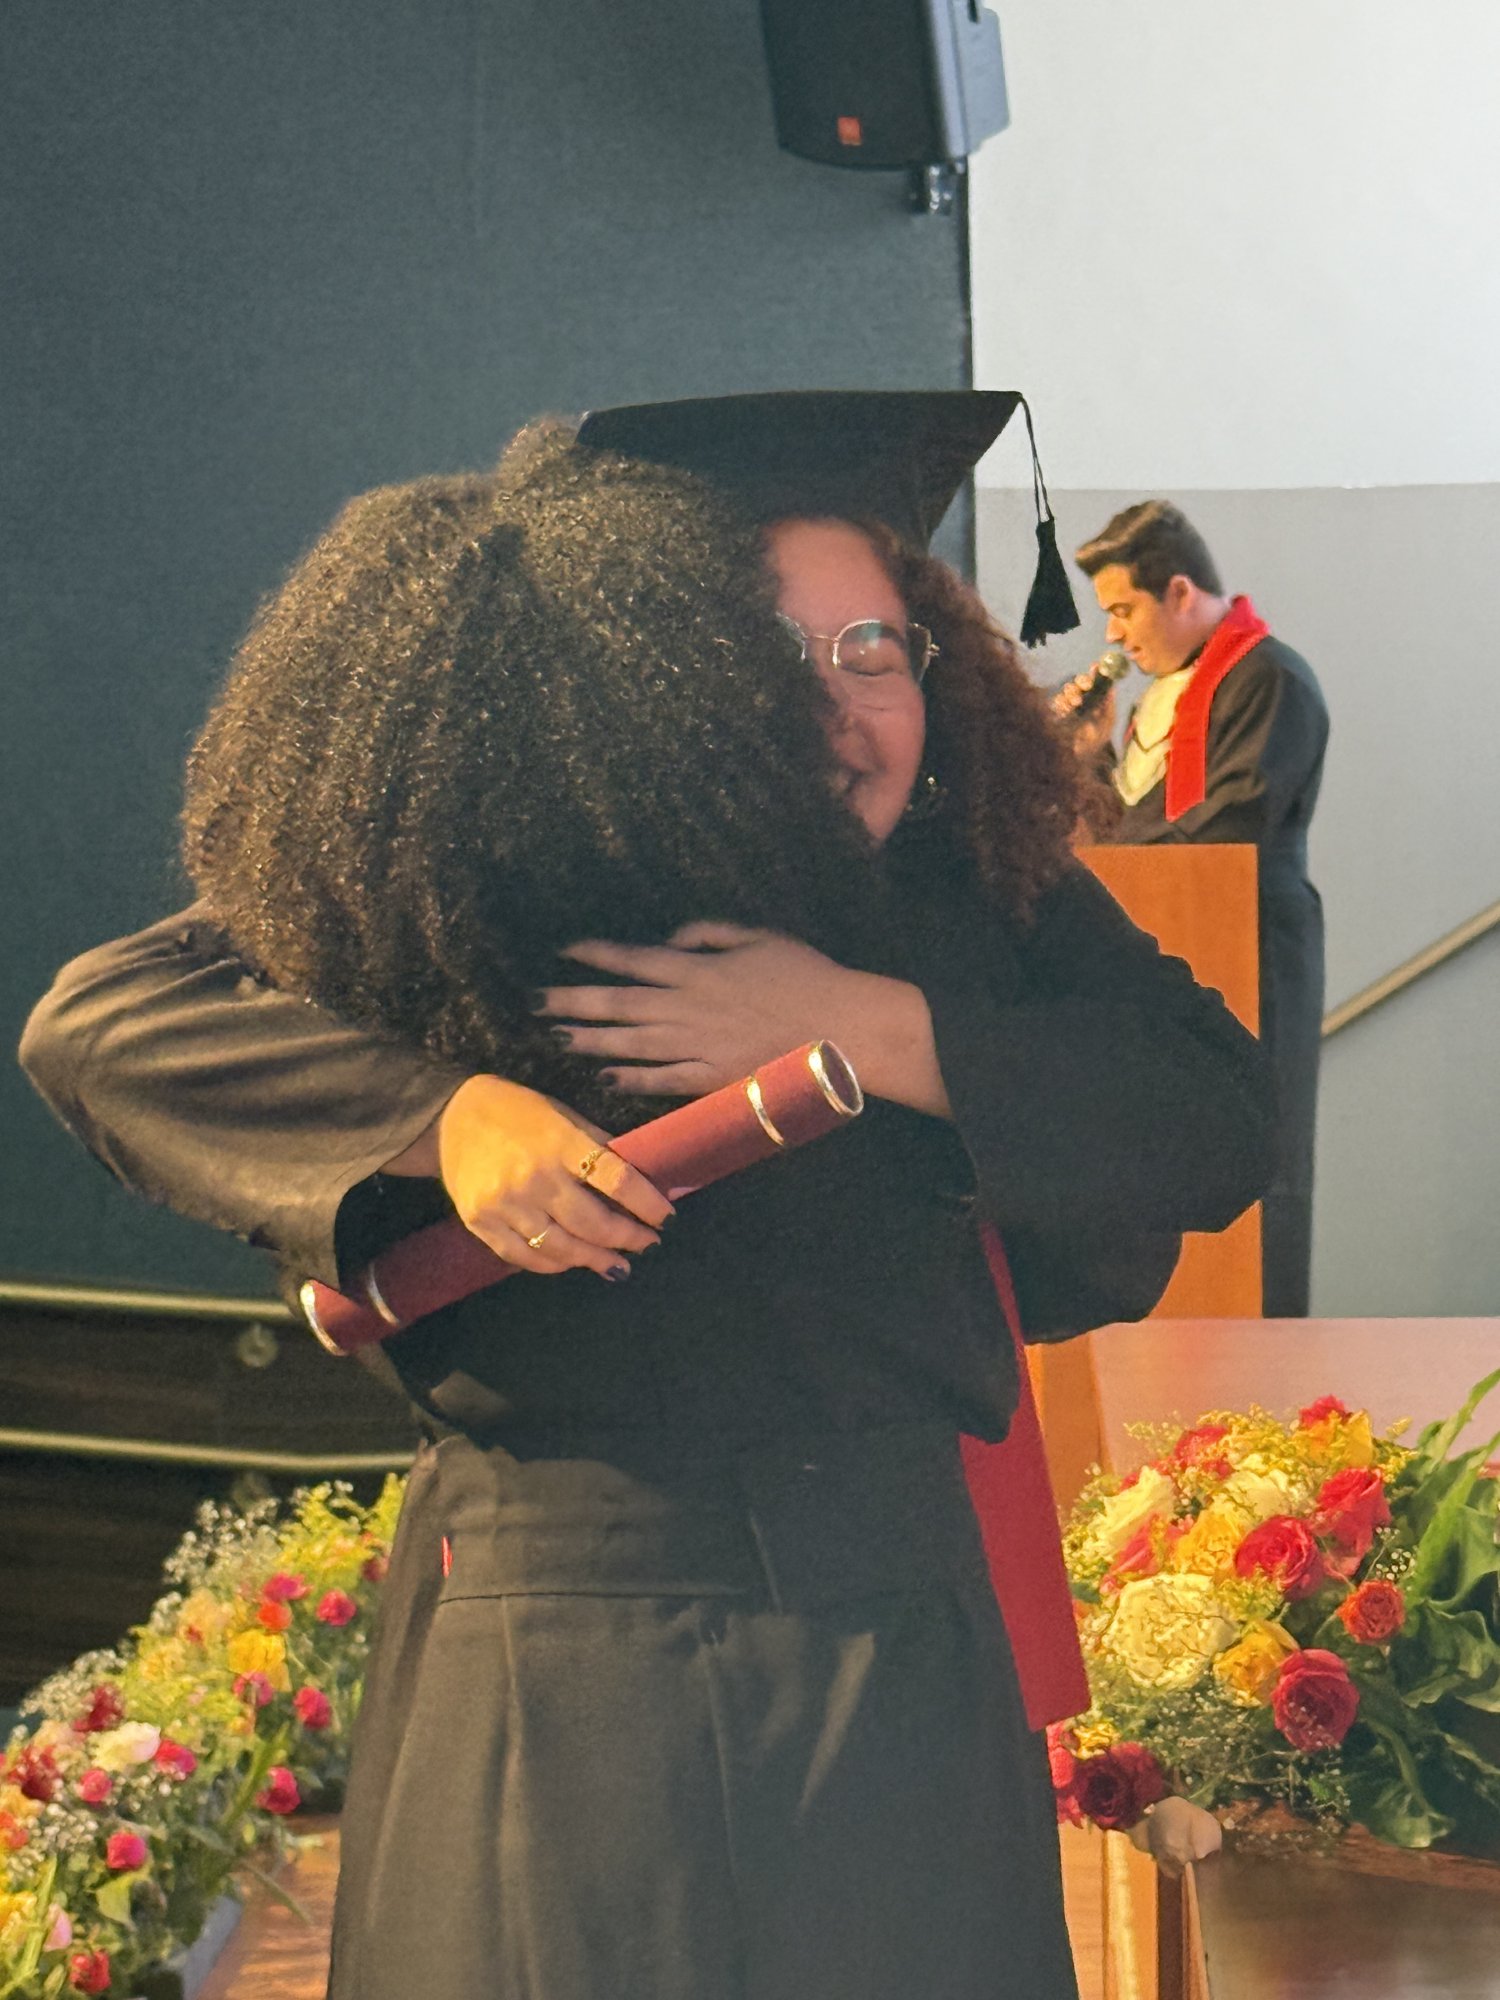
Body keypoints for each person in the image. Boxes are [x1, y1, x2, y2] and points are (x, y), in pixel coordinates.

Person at [21, 394, 1274, 2000]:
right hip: (561, 1643)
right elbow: (101, 1025)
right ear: (646, 677)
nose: (844, 710)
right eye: (769, 658)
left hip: (900, 1632)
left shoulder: (965, 895)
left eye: (874, 652)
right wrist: (442, 1117)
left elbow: (1212, 1112)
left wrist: (865, 1024)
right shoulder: (477, 884)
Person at [1068, 500, 1328, 1318]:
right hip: (1170, 945)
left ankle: (1259, 1358)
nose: (1114, 635)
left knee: (1255, 1152)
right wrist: (1087, 761)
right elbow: (1130, 826)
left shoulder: (1269, 679)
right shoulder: (1156, 699)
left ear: (1178, 592)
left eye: (1123, 609)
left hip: (1252, 949)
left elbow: (1230, 824)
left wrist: (1117, 862)